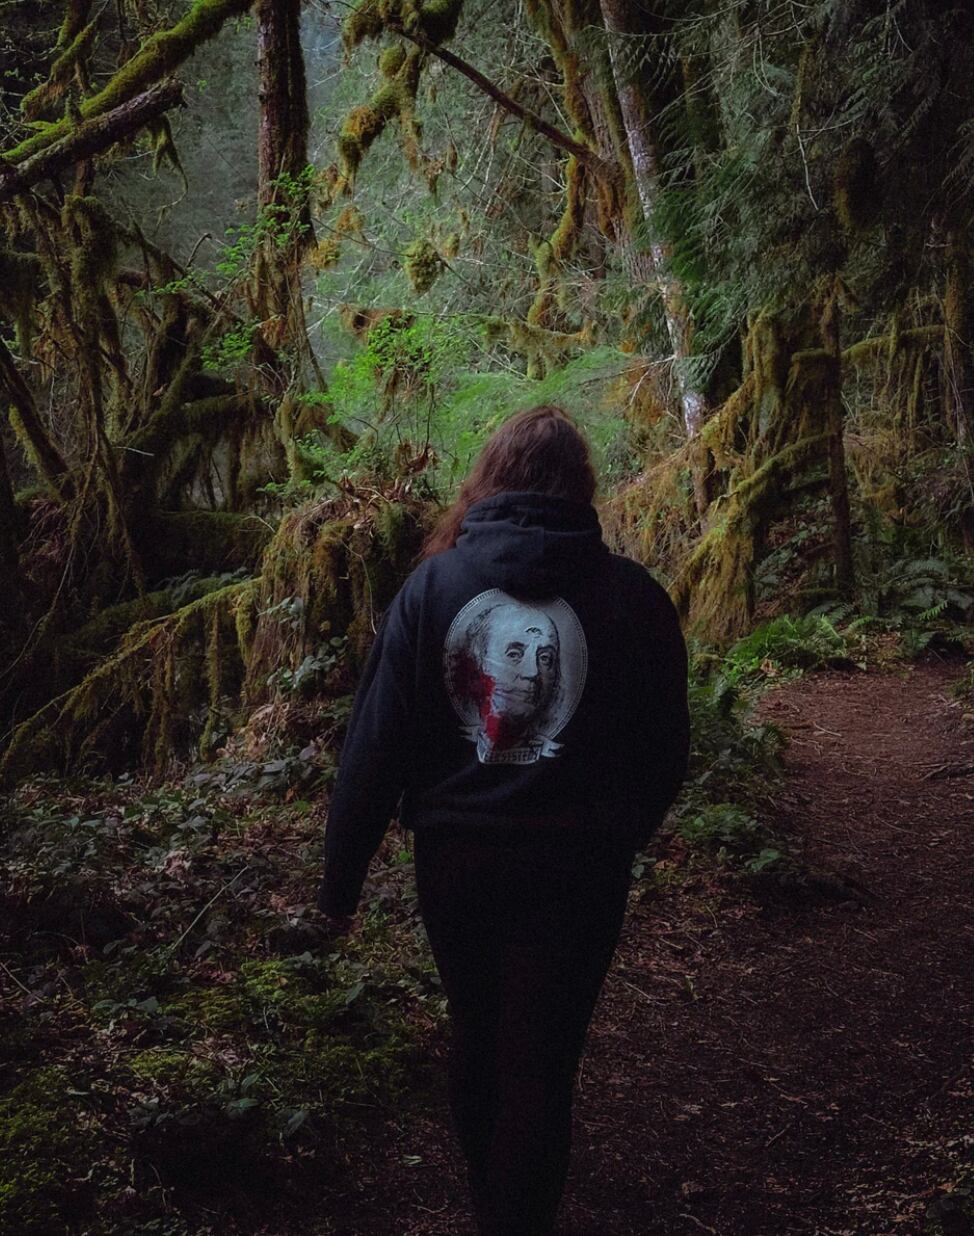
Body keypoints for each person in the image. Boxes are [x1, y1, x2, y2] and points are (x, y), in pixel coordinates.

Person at [317, 405, 690, 1235]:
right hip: (580, 872)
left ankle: (495, 1208)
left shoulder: (431, 588)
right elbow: (666, 747)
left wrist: (339, 886)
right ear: (581, 487)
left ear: (489, 479)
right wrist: (619, 830)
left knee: (477, 1033)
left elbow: (374, 744)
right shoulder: (634, 598)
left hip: (458, 864)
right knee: (543, 1061)